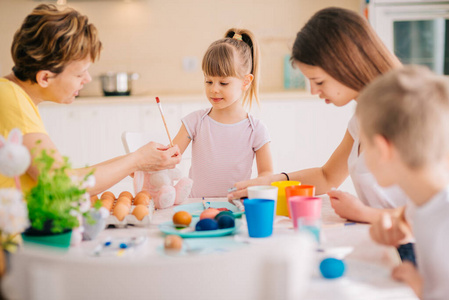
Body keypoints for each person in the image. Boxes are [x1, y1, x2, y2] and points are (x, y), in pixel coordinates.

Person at [228, 7, 408, 224]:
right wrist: (271, 181)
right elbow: (327, 176)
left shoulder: (406, 115)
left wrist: (364, 213)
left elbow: (436, 210)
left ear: (349, 64)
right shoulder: (361, 118)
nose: (313, 91)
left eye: (319, 82)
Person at [0, 4, 181, 195]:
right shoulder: (13, 101)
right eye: (79, 74)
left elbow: (63, 176)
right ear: (45, 77)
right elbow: (63, 186)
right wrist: (137, 160)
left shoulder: (12, 95)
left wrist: (136, 160)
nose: (87, 79)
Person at [358, 65, 449, 299]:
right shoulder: (421, 199)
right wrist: (397, 231)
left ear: (382, 149)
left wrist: (423, 289)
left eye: (364, 145)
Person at [172, 28, 273, 197]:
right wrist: (145, 165)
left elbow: (267, 174)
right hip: (197, 208)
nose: (214, 89)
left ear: (245, 81)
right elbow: (169, 157)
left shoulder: (256, 129)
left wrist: (252, 187)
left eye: (223, 83)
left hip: (234, 209)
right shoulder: (194, 122)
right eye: (209, 81)